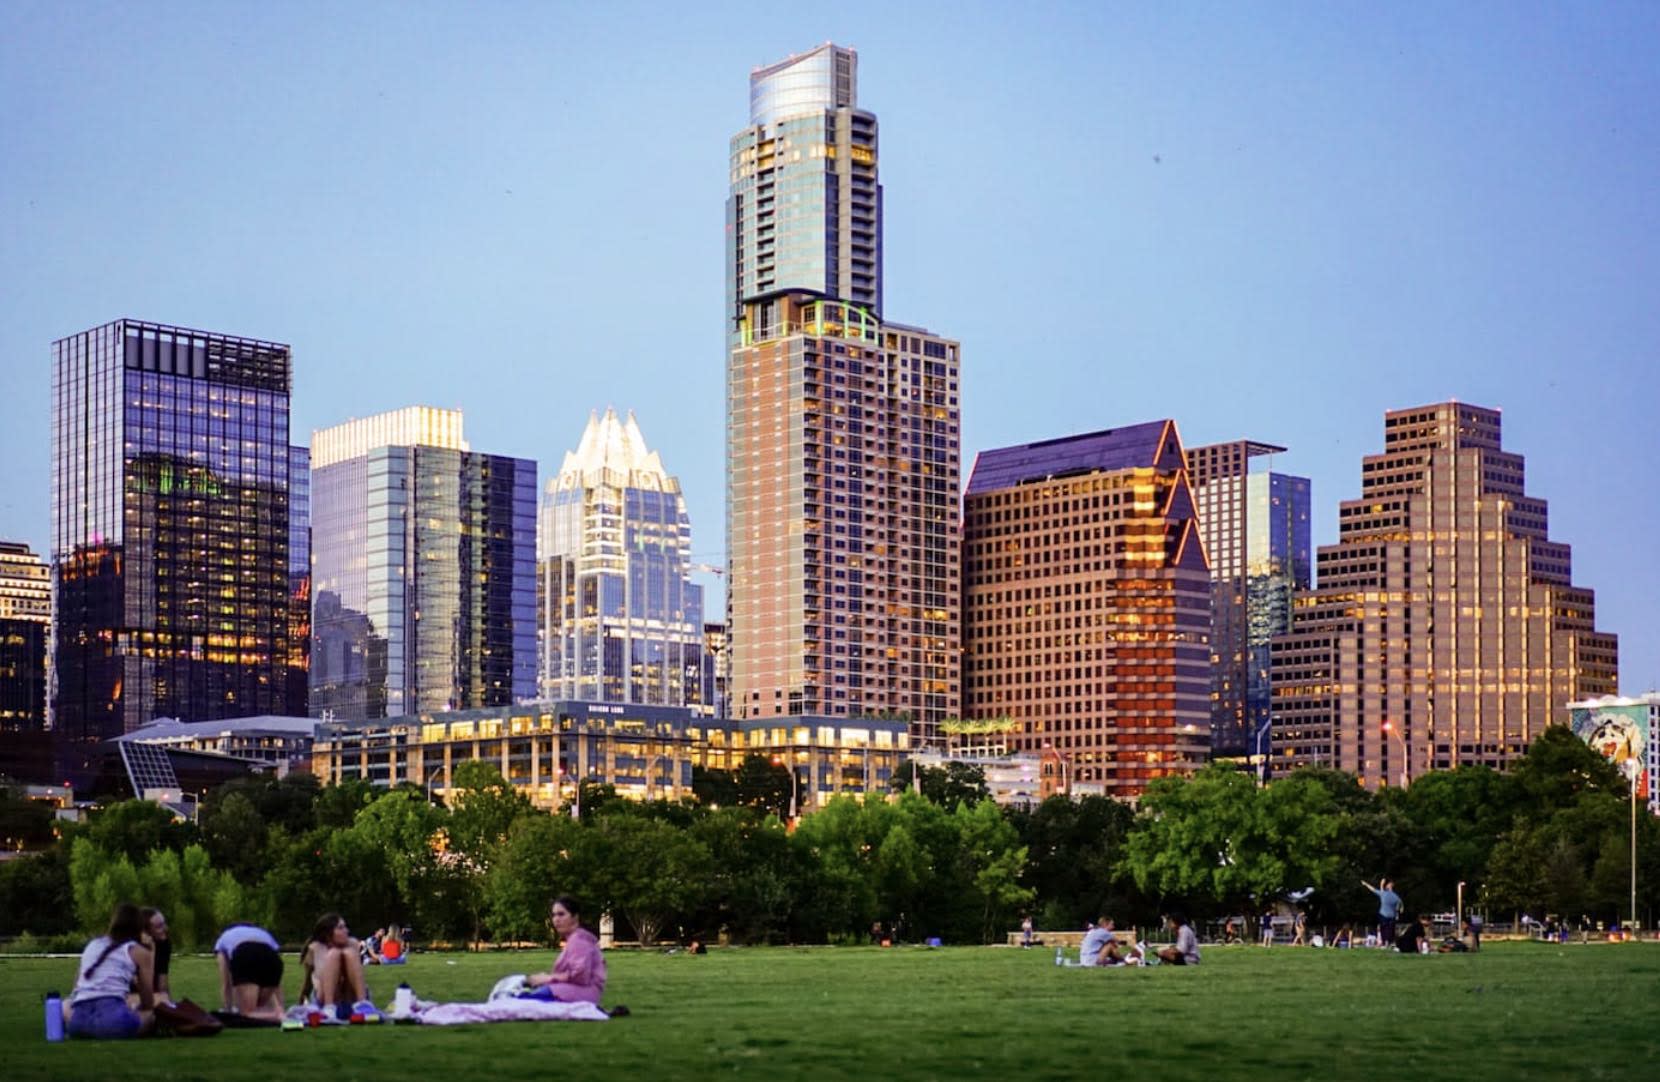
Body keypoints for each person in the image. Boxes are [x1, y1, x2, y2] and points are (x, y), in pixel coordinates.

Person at [67, 902, 155, 1038]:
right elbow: (148, 1002)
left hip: (78, 1022)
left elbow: (76, 988)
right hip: (113, 1021)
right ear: (138, 927)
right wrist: (152, 950)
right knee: (149, 1016)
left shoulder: (92, 945)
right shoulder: (137, 951)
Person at [523, 895, 606, 1004]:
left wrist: (547, 978)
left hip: (580, 994)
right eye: (554, 915)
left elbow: (580, 976)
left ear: (575, 917)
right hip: (574, 992)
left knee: (518, 1001)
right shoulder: (574, 939)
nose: (556, 919)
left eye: (561, 914)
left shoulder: (579, 940)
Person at [300, 913, 371, 1016]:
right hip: (323, 1000)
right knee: (334, 954)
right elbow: (308, 982)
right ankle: (329, 1008)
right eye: (341, 928)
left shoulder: (352, 944)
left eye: (345, 927)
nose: (347, 931)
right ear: (328, 934)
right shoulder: (316, 948)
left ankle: (363, 1005)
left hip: (350, 999)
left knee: (348, 953)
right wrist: (302, 1001)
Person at [214, 922, 285, 1022]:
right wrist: (280, 1005)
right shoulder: (263, 933)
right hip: (272, 957)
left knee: (246, 1014)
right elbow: (277, 984)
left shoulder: (223, 938)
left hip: (245, 953)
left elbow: (226, 983)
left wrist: (228, 1010)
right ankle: (279, 1012)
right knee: (260, 1006)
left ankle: (276, 1015)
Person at [138, 907, 172, 1006]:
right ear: (144, 931)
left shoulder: (164, 944)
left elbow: (163, 984)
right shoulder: (134, 950)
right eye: (159, 926)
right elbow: (145, 987)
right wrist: (150, 950)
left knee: (164, 1000)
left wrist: (170, 1007)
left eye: (164, 923)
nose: (165, 928)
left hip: (152, 996)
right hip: (127, 996)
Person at [1362, 877, 1402, 946]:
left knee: (1384, 929)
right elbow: (1400, 906)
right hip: (1392, 916)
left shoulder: (1384, 894)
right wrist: (1397, 914)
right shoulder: (1396, 897)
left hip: (1383, 915)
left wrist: (1365, 884)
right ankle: (1388, 943)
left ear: (1389, 886)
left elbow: (1373, 889)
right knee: (1390, 930)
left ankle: (1385, 943)